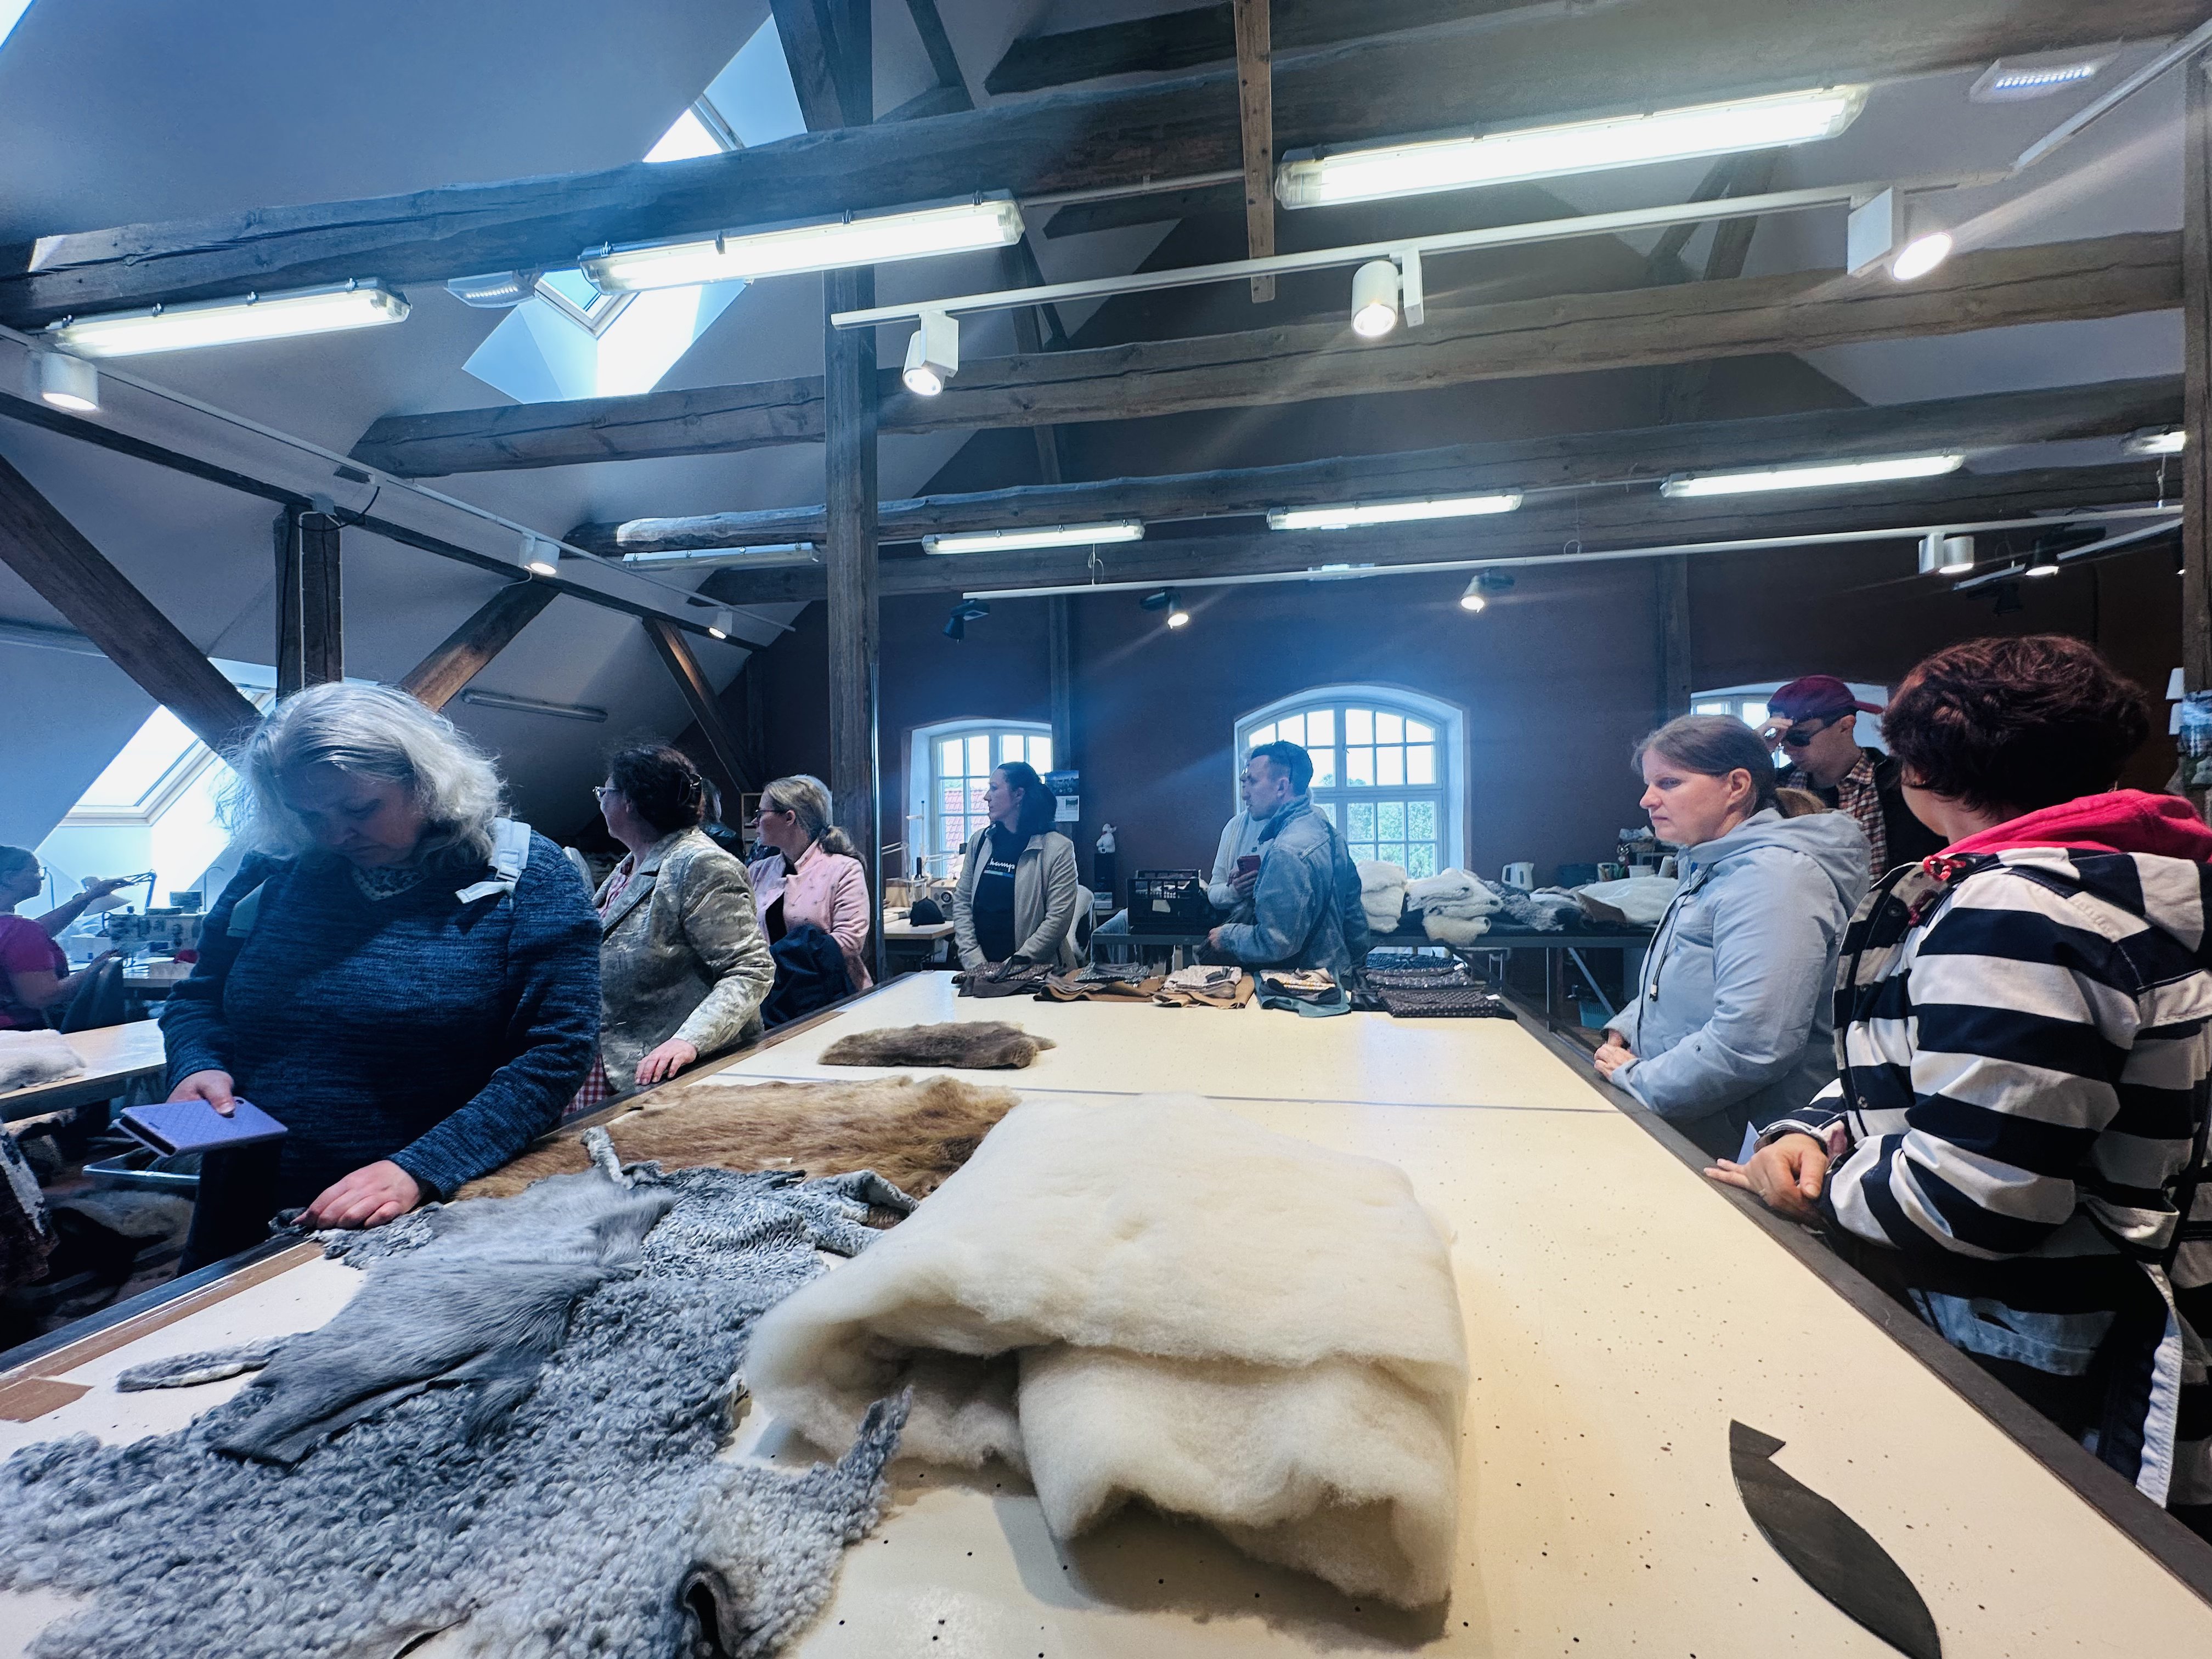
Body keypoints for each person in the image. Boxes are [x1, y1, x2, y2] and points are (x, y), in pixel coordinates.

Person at [1709, 636, 2212, 1536]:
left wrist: (1811, 1183)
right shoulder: (2118, 877)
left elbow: (1975, 1199)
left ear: (1920, 769)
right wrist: (1810, 1127)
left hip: (2032, 1333)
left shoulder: (2017, 912)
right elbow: (1924, 1064)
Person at [161, 684, 600, 1269]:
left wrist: (422, 1167)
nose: (335, 835)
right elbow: (198, 1000)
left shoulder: (525, 876)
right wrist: (198, 1063)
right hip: (242, 1201)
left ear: (426, 780)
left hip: (432, 1209)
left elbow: (556, 1053)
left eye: (360, 809)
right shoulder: (276, 869)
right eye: (309, 815)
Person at [1593, 715, 1870, 1159]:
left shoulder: (1773, 878)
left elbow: (1754, 1044)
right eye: (1649, 784)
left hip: (1755, 1143)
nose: (1648, 799)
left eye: (1669, 783)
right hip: (1693, 1110)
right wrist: (1630, 1028)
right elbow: (1687, 973)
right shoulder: (1713, 863)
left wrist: (1639, 1078)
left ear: (1736, 786)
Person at [587, 744, 775, 1105]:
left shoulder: (700, 864)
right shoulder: (632, 864)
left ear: (629, 802)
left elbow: (751, 969)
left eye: (604, 792)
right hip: (622, 1067)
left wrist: (689, 1040)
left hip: (678, 1077)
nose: (601, 802)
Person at [1205, 741, 1365, 979]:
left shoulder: (1285, 851)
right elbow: (1355, 921)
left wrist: (1228, 936)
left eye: (1253, 781)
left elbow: (1276, 942)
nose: (1245, 793)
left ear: (1281, 787)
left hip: (1298, 987)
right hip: (1335, 977)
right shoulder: (1330, 834)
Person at [1762, 674, 1944, 881]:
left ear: (1846, 725)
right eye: (1780, 738)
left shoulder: (1901, 781)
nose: (1787, 749)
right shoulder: (1775, 787)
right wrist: (1755, 751)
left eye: (1798, 737)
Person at [746, 773, 872, 994]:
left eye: (760, 813)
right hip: (771, 996)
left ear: (789, 818)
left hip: (828, 994)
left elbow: (850, 940)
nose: (754, 821)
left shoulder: (844, 868)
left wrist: (776, 961)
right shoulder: (758, 871)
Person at [952, 760, 1082, 970]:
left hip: (1038, 976)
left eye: (994, 788)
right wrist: (976, 963)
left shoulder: (1058, 849)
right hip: (981, 972)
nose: (986, 797)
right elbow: (962, 902)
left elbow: (1057, 922)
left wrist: (1010, 968)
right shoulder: (980, 841)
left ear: (1018, 795)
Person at [0, 848, 127, 1029]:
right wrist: (95, 970)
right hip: (21, 1033)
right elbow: (42, 997)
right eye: (35, 871)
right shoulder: (20, 930)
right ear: (9, 878)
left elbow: (30, 933)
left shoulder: (12, 928)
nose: (41, 878)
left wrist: (89, 897)